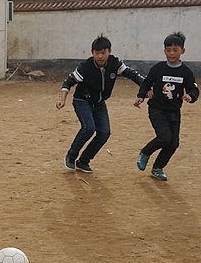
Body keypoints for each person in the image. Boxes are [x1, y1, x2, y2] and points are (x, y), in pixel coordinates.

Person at [56, 34, 144, 173]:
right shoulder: (85, 67)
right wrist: (62, 99)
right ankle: (71, 156)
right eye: (97, 53)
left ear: (109, 51)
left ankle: (84, 161)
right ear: (92, 53)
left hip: (99, 104)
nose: (100, 56)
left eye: (103, 53)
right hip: (82, 101)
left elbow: (133, 74)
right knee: (88, 128)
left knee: (104, 132)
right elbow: (68, 82)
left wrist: (146, 88)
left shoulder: (115, 63)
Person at [134, 32, 200, 181]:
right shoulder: (158, 68)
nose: (171, 53)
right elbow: (147, 82)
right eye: (168, 50)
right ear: (164, 51)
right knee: (164, 137)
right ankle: (145, 152)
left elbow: (193, 88)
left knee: (173, 143)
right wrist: (141, 95)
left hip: (174, 112)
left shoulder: (186, 72)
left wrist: (191, 96)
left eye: (175, 50)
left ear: (182, 51)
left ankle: (158, 168)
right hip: (157, 109)